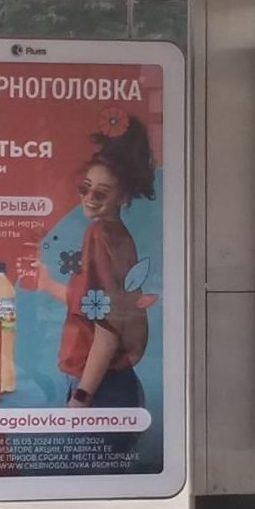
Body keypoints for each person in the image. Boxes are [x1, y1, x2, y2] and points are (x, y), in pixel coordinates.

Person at [32, 115, 159, 427]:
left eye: (101, 193)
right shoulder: (118, 236)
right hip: (114, 383)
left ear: (123, 196)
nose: (89, 199)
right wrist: (47, 284)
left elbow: (107, 329)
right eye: (85, 188)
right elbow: (92, 303)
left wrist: (81, 397)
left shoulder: (99, 234)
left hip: (100, 387)